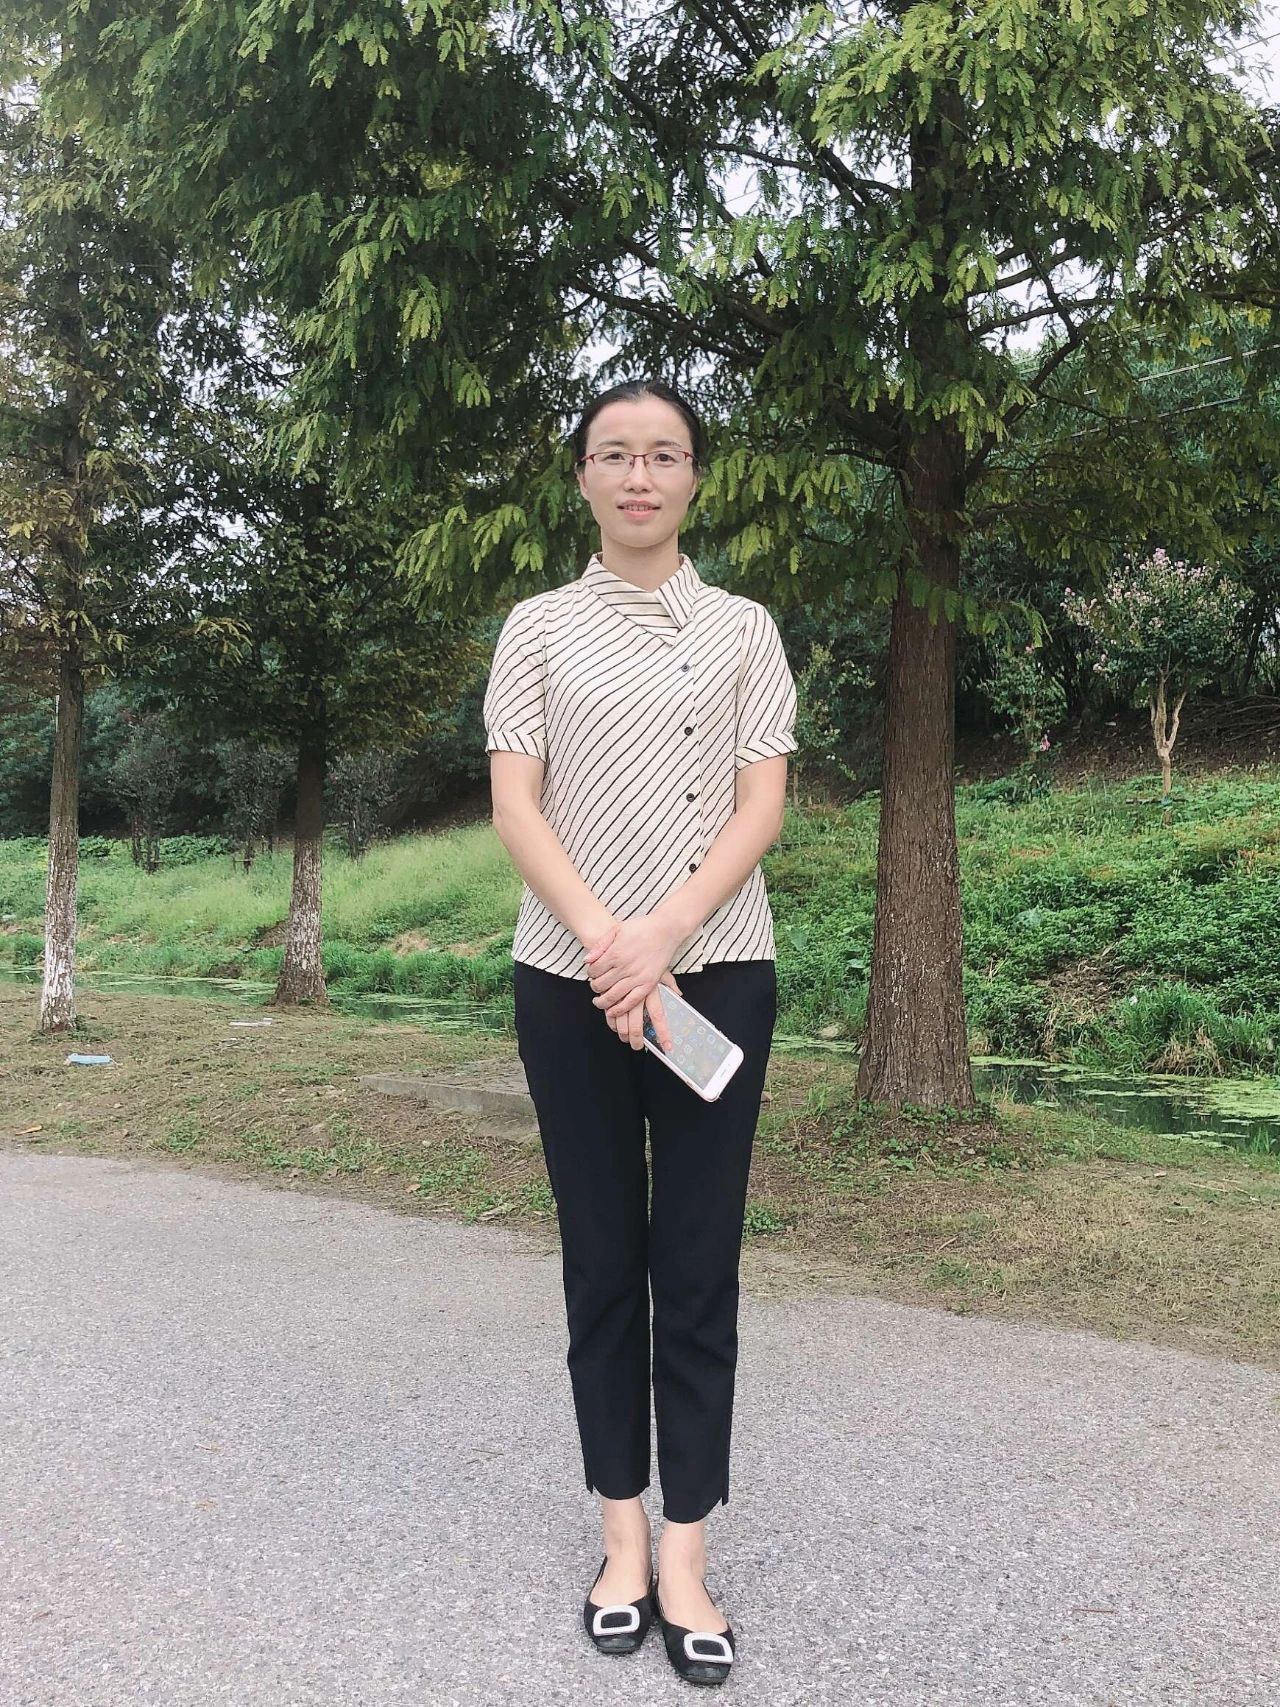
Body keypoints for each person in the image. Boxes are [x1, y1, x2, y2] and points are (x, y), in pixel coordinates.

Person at [482, 378, 797, 1685]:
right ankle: (620, 1539)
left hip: (716, 976)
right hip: (569, 985)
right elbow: (517, 803)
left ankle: (686, 1554)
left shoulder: (744, 630)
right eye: (615, 454)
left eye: (664, 455)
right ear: (583, 479)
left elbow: (760, 805)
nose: (640, 476)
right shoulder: (537, 628)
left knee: (699, 1268)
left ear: (694, 479)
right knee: (604, 1262)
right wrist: (607, 946)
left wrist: (660, 935)